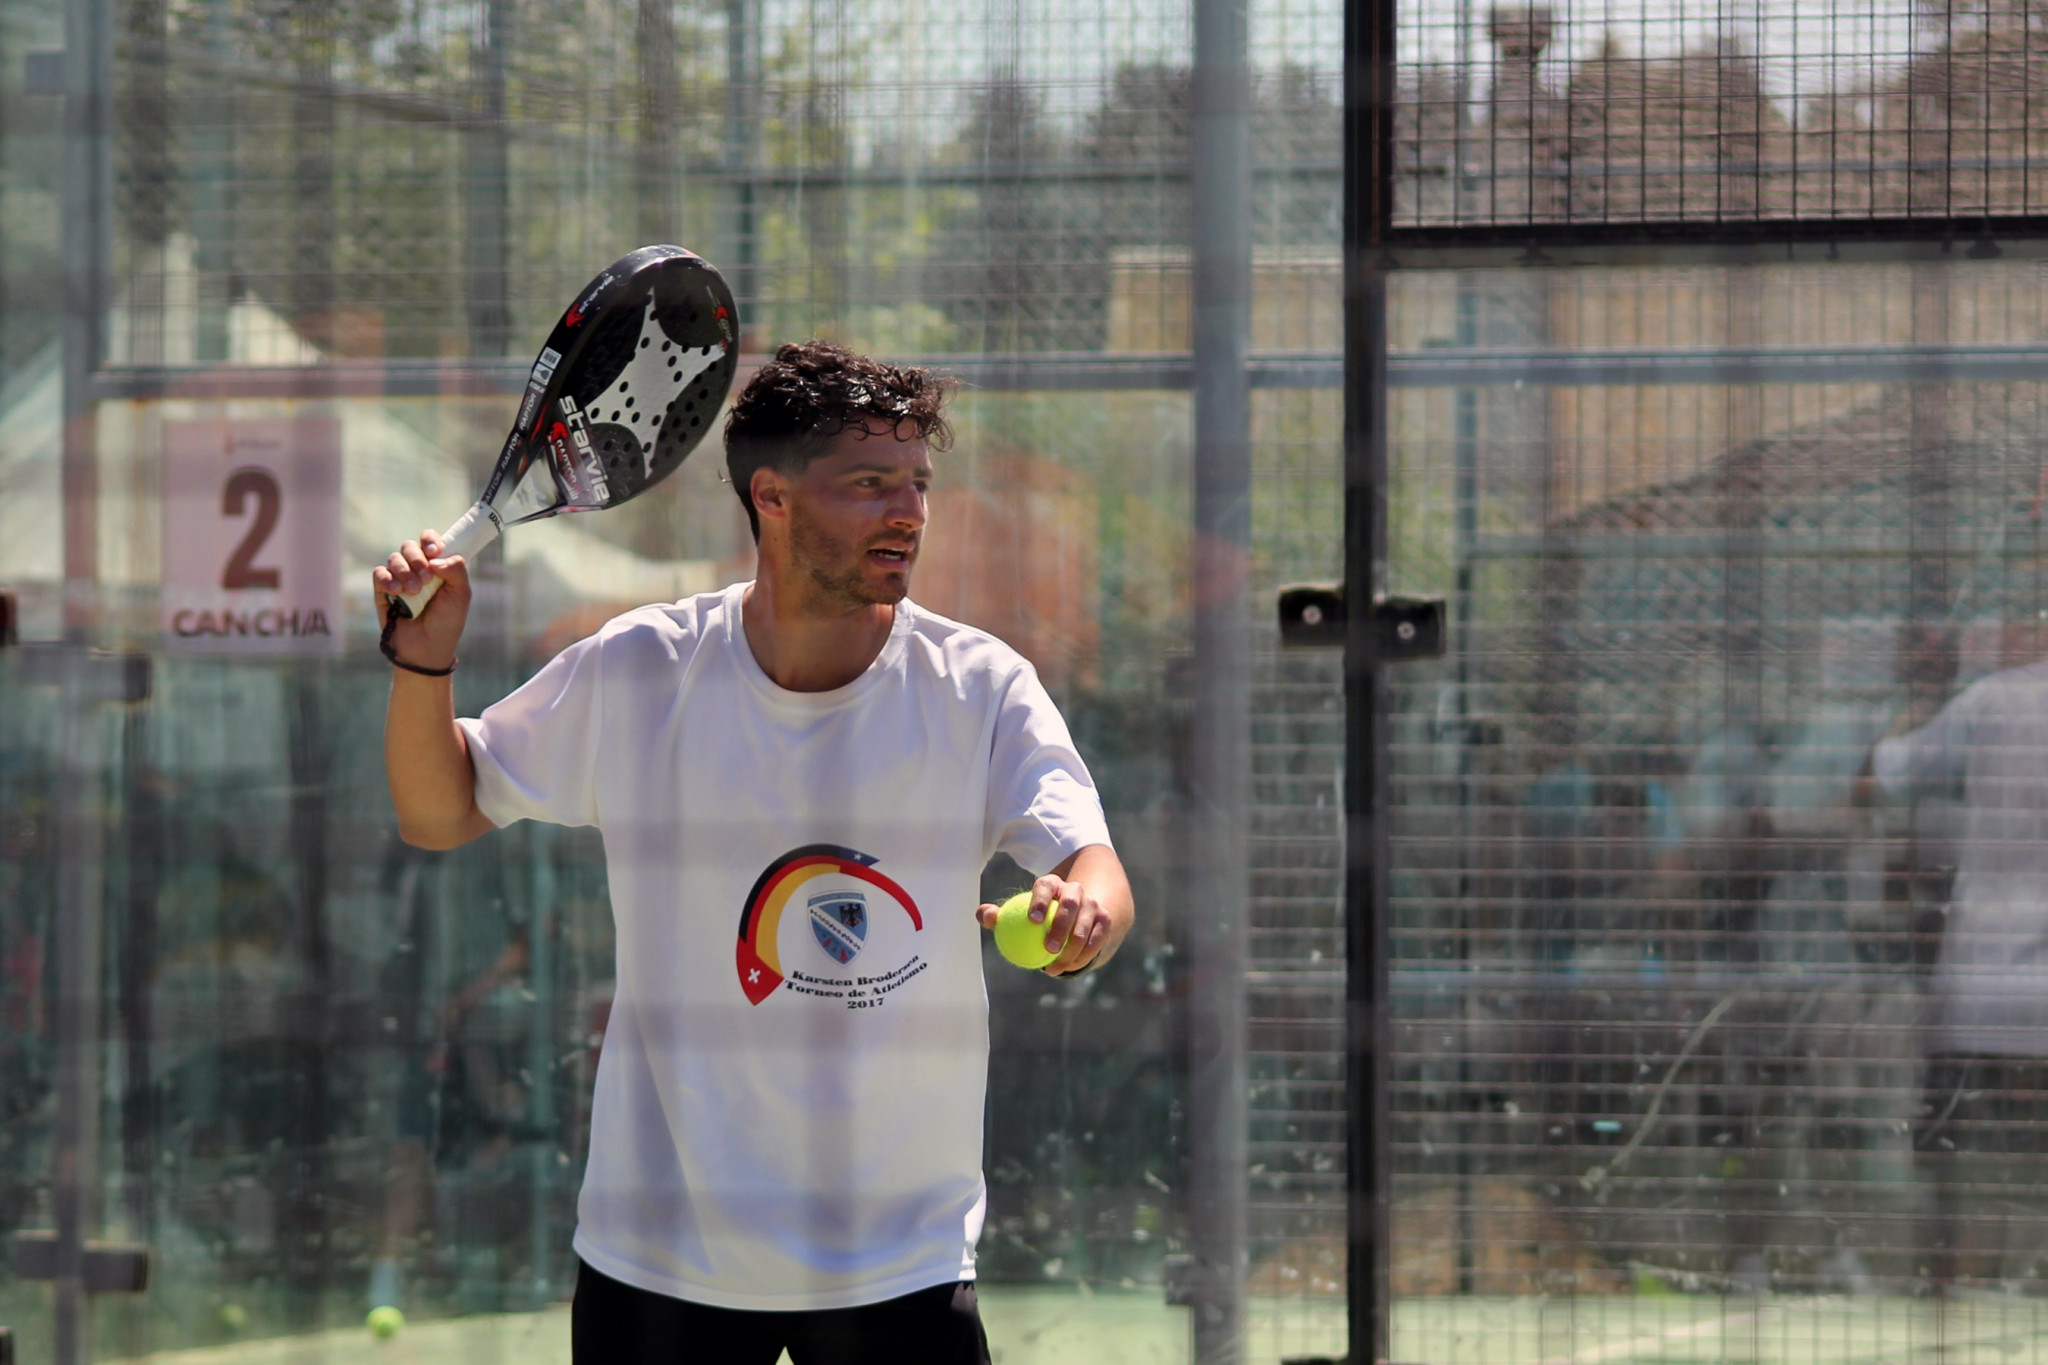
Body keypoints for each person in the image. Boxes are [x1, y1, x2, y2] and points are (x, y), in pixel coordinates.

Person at [373, 340, 1134, 1362]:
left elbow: (1092, 864)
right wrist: (423, 665)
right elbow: (440, 810)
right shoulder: (642, 670)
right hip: (660, 1258)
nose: (907, 512)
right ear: (771, 497)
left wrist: (1085, 910)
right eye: (867, 484)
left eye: (917, 483)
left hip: (895, 1260)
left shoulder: (979, 685)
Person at [1871, 653, 2048, 1290]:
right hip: (1993, 993)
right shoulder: (1994, 698)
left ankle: (1962, 1290)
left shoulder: (1994, 699)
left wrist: (1905, 717)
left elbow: (1888, 773)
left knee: (1969, 1168)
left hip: (1985, 994)